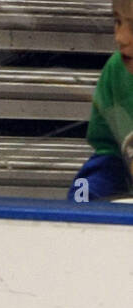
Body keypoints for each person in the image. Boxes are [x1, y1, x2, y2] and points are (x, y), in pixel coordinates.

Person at [70, 0, 133, 202]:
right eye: (117, 21)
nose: (120, 37)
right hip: (120, 169)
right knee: (82, 192)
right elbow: (108, 148)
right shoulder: (116, 69)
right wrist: (82, 199)